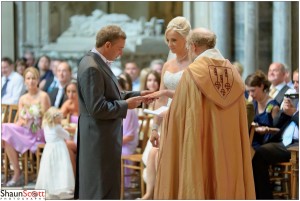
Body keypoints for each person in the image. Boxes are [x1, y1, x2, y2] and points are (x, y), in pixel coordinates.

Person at [150, 28, 255, 199]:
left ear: (194, 47)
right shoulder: (234, 74)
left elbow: (180, 114)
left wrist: (162, 119)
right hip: (229, 146)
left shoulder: (193, 74)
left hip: (201, 143)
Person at [75, 25, 151, 200]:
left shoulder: (98, 62)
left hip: (103, 137)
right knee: (99, 188)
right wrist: (126, 105)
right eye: (119, 49)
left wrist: (138, 95)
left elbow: (110, 94)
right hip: (98, 138)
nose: (121, 53)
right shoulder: (91, 67)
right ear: (107, 45)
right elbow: (97, 107)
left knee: (107, 185)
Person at [141, 16, 191, 200]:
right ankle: (156, 194)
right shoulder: (168, 65)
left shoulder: (195, 64)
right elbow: (161, 98)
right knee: (157, 155)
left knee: (178, 160)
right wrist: (154, 128)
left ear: (186, 39)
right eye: (168, 40)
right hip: (166, 117)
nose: (170, 44)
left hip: (186, 115)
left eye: (174, 40)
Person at [252, 70, 298, 199]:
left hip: (297, 144)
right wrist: (284, 111)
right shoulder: (294, 97)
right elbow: (277, 124)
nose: (294, 86)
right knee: (258, 152)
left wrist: (294, 113)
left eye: (298, 82)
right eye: (294, 81)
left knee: (260, 153)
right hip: (285, 142)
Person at [2, 67, 51, 186]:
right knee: (6, 136)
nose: (31, 81)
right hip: (25, 130)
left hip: (39, 131)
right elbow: (21, 119)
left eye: (33, 78)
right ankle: (17, 173)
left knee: (5, 132)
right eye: (28, 78)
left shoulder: (43, 96)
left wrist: (35, 118)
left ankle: (19, 174)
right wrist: (25, 119)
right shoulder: (22, 98)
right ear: (24, 81)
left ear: (38, 80)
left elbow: (47, 117)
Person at [35, 107, 75, 199]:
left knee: (50, 169)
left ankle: (51, 189)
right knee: (61, 168)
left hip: (49, 149)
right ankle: (61, 188)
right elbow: (67, 136)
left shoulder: (45, 126)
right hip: (59, 149)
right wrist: (68, 132)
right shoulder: (57, 127)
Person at [245, 70, 280, 149]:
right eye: (248, 91)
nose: (250, 94)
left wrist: (267, 129)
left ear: (262, 86)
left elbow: (279, 129)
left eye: (253, 90)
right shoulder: (252, 103)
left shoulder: (273, 106)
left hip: (266, 144)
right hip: (252, 141)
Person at [60, 80, 79, 176]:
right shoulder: (68, 104)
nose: (71, 95)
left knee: (65, 145)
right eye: (68, 92)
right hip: (71, 137)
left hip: (82, 137)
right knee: (59, 144)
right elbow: (57, 118)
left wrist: (72, 129)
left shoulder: (84, 105)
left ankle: (73, 177)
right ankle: (68, 177)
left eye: (74, 91)